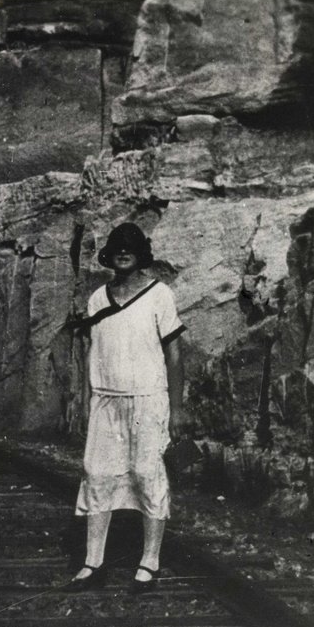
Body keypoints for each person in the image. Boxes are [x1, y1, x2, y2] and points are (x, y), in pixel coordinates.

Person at [63, 222, 186, 594]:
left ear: (142, 253)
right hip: (106, 400)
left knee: (147, 475)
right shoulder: (98, 298)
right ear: (109, 254)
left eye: (131, 247)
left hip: (148, 399)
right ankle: (92, 562)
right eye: (117, 247)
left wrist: (178, 409)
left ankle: (149, 562)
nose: (123, 252)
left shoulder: (160, 294)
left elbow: (174, 355)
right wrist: (86, 403)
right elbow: (90, 355)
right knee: (97, 474)